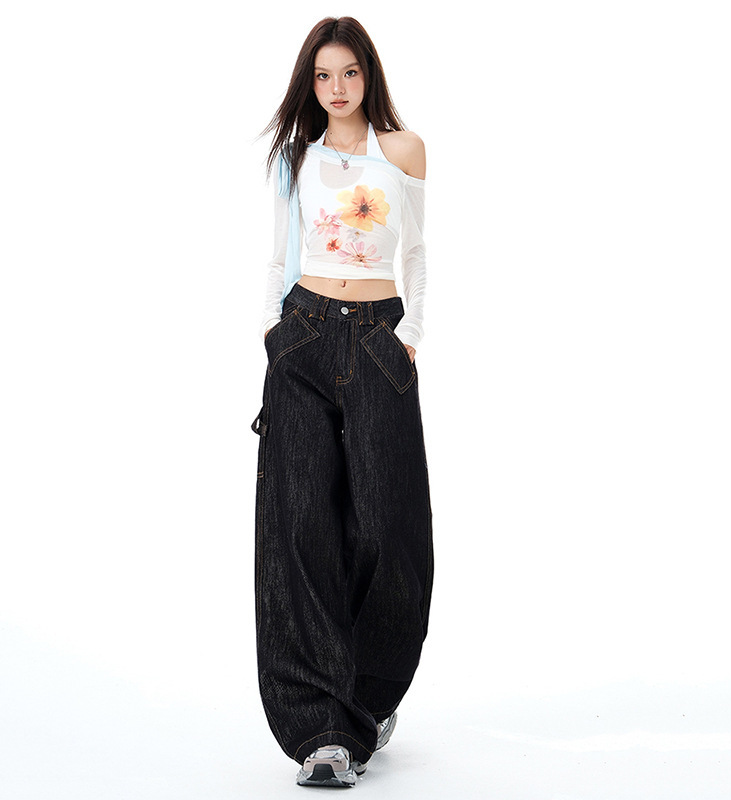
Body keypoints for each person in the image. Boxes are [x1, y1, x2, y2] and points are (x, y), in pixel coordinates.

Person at [251, 16, 433, 788]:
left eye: (349, 73)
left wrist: (409, 337)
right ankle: (322, 733)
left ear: (368, 75)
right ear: (311, 82)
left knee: (387, 527)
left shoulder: (403, 150)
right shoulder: (295, 158)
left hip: (379, 339)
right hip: (304, 335)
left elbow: (415, 251)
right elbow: (278, 256)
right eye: (323, 75)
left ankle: (366, 698)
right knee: (302, 528)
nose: (336, 88)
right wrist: (274, 336)